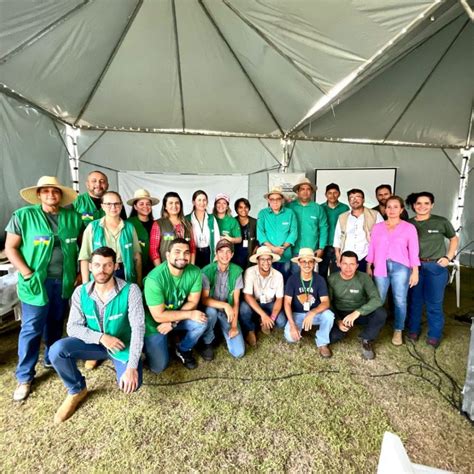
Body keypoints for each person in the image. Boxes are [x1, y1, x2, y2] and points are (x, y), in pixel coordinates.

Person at [5, 176, 83, 401]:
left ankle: (51, 357)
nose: (51, 195)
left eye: (55, 191)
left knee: (56, 321)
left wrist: (78, 271)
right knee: (31, 327)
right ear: (39, 194)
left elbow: (80, 244)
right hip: (36, 282)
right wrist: (26, 272)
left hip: (64, 281)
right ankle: (24, 376)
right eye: (46, 191)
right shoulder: (23, 216)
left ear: (61, 195)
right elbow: (11, 247)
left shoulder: (72, 217)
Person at [49, 247, 145, 423]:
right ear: (90, 267)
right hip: (94, 344)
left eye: (108, 265)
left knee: (132, 385)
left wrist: (132, 367)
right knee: (57, 351)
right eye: (97, 265)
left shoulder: (131, 291)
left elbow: (138, 329)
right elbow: (73, 327)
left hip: (122, 344)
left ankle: (114, 360)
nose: (102, 270)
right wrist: (101, 338)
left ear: (115, 266)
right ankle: (77, 390)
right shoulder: (80, 292)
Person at [144, 238, 207, 371]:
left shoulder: (195, 272)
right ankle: (152, 344)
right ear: (167, 255)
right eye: (177, 252)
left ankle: (182, 348)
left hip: (174, 318)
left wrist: (173, 323)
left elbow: (193, 302)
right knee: (158, 367)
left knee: (201, 321)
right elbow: (158, 316)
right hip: (155, 324)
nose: (182, 257)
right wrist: (188, 314)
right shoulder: (154, 279)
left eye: (186, 253)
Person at [406, 192, 459, 347]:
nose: (422, 206)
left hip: (436, 267)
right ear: (413, 206)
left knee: (434, 303)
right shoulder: (408, 224)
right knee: (415, 301)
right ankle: (413, 330)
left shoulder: (441, 222)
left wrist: (448, 257)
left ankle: (434, 334)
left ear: (432, 205)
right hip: (415, 267)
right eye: (418, 203)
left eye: (426, 203)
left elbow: (454, 239)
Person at [366, 196, 420, 346]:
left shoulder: (409, 228)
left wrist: (415, 271)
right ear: (384, 209)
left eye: (396, 207)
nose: (392, 210)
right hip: (380, 266)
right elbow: (372, 247)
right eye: (389, 207)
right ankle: (374, 329)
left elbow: (414, 251)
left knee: (400, 300)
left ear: (401, 209)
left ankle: (398, 330)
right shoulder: (378, 227)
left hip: (401, 268)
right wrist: (368, 265)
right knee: (379, 300)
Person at [328, 251, 387, 359]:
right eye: (345, 263)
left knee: (380, 313)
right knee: (333, 337)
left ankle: (367, 339)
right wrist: (338, 320)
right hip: (341, 313)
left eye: (352, 264)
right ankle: (341, 330)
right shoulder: (332, 279)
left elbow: (376, 299)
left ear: (357, 266)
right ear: (339, 264)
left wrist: (357, 312)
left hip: (359, 313)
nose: (348, 267)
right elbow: (328, 303)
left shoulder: (364, 278)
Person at [79, 191, 142, 286]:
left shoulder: (129, 227)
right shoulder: (92, 227)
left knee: (124, 300)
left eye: (117, 203)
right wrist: (85, 284)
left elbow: (137, 256)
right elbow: (84, 258)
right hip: (101, 274)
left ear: (121, 206)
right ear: (102, 206)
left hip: (124, 274)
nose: (113, 207)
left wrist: (139, 281)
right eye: (108, 204)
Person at [283, 248, 334, 358]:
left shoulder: (320, 279)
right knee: (290, 337)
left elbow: (326, 302)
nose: (307, 264)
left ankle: (322, 342)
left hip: (315, 314)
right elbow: (287, 303)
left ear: (314, 263)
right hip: (298, 314)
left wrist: (312, 312)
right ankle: (300, 328)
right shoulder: (292, 279)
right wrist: (292, 325)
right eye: (303, 261)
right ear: (299, 263)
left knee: (329, 316)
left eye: (310, 261)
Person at [201, 240, 245, 359]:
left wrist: (234, 326)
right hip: (213, 311)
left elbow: (236, 302)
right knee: (211, 311)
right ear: (216, 253)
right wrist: (225, 305)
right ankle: (207, 342)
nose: (224, 255)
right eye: (221, 251)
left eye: (228, 252)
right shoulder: (206, 271)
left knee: (239, 352)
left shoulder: (237, 271)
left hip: (228, 313)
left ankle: (221, 331)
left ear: (232, 254)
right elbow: (204, 300)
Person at [239, 246, 286, 346]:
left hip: (269, 303)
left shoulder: (278, 275)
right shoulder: (250, 272)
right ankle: (251, 330)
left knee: (282, 322)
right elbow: (247, 296)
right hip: (254, 302)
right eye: (262, 259)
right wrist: (264, 315)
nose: (266, 262)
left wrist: (272, 318)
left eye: (268, 259)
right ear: (257, 261)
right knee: (243, 308)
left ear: (272, 260)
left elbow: (279, 299)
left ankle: (264, 321)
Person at [333, 188, 383, 272]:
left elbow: (382, 238)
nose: (354, 200)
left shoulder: (375, 215)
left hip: (366, 257)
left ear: (363, 199)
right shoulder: (343, 217)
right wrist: (338, 257)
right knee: (347, 283)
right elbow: (337, 239)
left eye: (358, 197)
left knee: (365, 283)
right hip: (346, 258)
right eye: (351, 198)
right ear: (349, 201)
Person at [287, 178, 328, 274]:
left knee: (311, 279)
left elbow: (323, 228)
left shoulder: (318, 208)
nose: (305, 192)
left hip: (311, 252)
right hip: (293, 251)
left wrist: (321, 248)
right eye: (302, 189)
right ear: (297, 191)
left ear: (312, 192)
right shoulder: (289, 207)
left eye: (308, 189)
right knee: (295, 278)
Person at [257, 187, 297, 282]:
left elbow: (293, 233)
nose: (275, 202)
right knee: (267, 282)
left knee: (284, 281)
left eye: (278, 199)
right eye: (272, 199)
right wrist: (273, 248)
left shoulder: (290, 213)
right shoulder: (262, 214)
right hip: (267, 256)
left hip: (285, 255)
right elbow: (260, 233)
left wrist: (282, 248)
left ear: (282, 200)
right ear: (268, 200)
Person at [150, 191, 196, 266]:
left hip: (186, 267)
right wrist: (160, 270)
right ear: (165, 206)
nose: (174, 206)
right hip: (166, 268)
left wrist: (192, 266)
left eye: (177, 203)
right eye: (171, 203)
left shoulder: (188, 224)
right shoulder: (158, 224)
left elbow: (192, 247)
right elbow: (153, 251)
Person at [319, 183, 349, 279]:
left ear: (339, 194)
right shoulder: (320, 208)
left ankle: (334, 293)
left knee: (337, 272)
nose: (332, 195)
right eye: (329, 193)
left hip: (339, 246)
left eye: (335, 193)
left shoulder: (345, 208)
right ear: (325, 194)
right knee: (321, 271)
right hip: (324, 246)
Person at [127, 189, 160, 276]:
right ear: (135, 206)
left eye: (148, 204)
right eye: (141, 204)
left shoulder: (157, 224)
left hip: (155, 267)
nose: (145, 206)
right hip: (135, 267)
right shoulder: (128, 224)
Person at [186, 190, 220, 268]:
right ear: (194, 202)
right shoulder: (187, 219)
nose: (202, 203)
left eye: (204, 200)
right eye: (199, 200)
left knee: (208, 276)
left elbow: (217, 238)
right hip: (193, 253)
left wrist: (217, 254)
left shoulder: (211, 218)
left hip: (209, 252)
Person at [232, 197, 258, 269]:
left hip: (250, 255)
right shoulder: (232, 221)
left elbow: (259, 239)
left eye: (246, 207)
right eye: (240, 207)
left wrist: (256, 250)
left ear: (249, 208)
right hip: (235, 256)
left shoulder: (254, 222)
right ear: (236, 209)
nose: (243, 210)